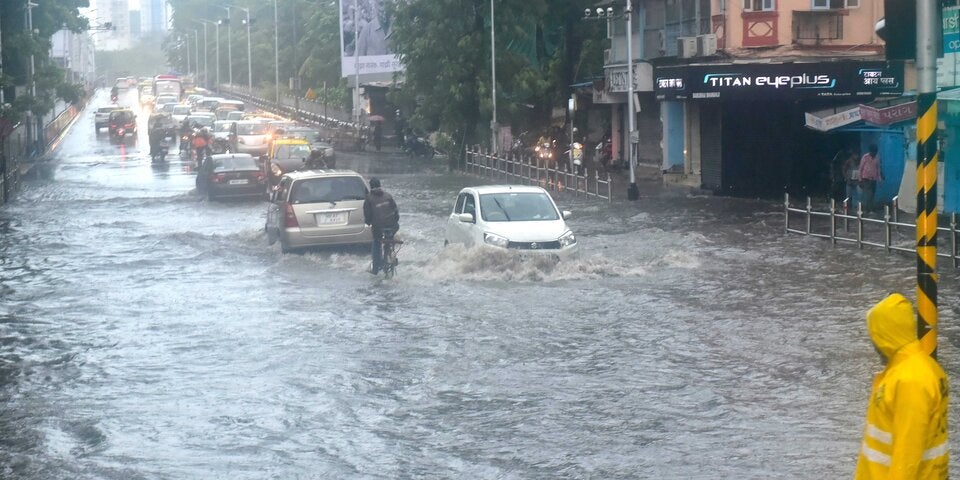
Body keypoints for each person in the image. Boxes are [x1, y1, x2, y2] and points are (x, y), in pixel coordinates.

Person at [855, 293, 948, 479]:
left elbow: (908, 453)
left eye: (874, 335)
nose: (872, 343)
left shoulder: (910, 379)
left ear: (885, 335)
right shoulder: (916, 369)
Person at [363, 177, 399, 275]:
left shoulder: (369, 198)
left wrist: (368, 222)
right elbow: (396, 213)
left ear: (371, 187)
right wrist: (394, 223)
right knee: (389, 237)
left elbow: (368, 215)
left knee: (376, 242)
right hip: (392, 226)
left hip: (378, 227)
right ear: (380, 185)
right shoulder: (388, 196)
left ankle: (375, 268)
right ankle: (390, 254)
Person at [859, 144, 883, 212]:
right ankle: (869, 209)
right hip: (865, 179)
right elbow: (860, 168)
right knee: (870, 194)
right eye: (873, 152)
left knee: (872, 195)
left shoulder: (877, 158)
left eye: (875, 152)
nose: (874, 153)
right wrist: (860, 180)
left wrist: (880, 179)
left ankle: (869, 208)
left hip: (873, 179)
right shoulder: (865, 157)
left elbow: (878, 169)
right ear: (870, 151)